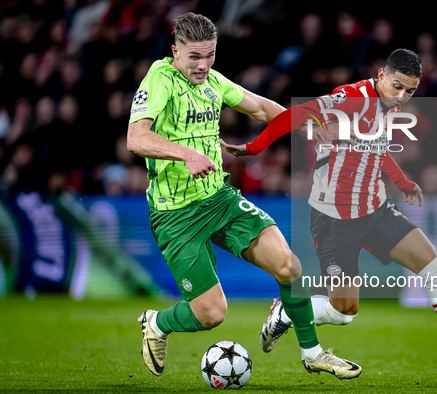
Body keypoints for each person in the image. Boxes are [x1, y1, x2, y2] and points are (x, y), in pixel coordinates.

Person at [222, 49, 437, 375]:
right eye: (397, 86)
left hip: (375, 210)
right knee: (344, 313)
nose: (401, 97)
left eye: (410, 91)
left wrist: (403, 182)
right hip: (334, 219)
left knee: (434, 266)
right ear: (382, 75)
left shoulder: (387, 108)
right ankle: (286, 312)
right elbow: (294, 115)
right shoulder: (350, 97)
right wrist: (254, 148)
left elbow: (377, 150)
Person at [126, 12, 361, 380]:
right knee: (211, 314)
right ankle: (157, 323)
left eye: (210, 55)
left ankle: (312, 353)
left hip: (219, 200)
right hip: (175, 215)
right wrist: (188, 154)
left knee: (289, 267)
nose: (203, 65)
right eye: (194, 57)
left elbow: (262, 108)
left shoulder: (213, 82)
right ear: (175, 51)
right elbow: (136, 138)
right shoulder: (160, 80)